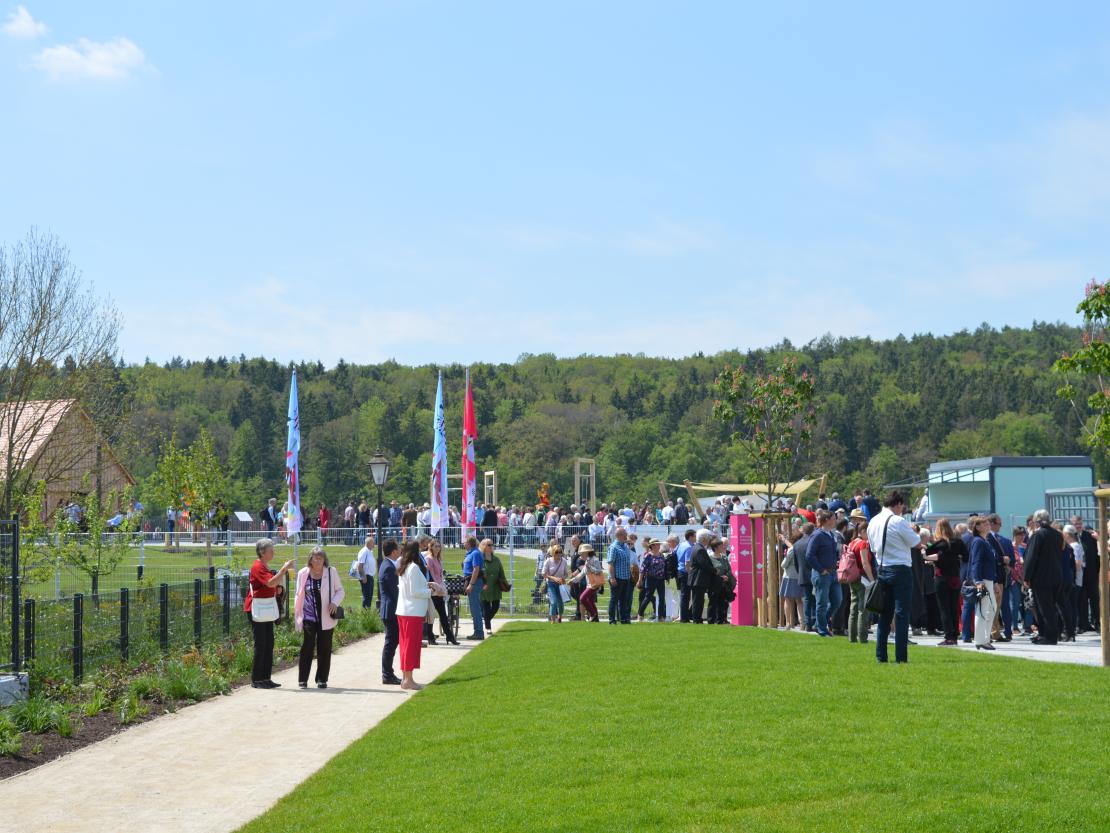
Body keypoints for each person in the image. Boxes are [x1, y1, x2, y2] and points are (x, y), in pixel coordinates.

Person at [866, 491, 920, 664]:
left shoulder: (873, 521)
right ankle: (901, 657)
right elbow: (915, 542)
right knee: (902, 614)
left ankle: (881, 656)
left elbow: (872, 548)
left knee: (885, 614)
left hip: (882, 568)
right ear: (898, 504)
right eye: (902, 506)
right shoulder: (898, 521)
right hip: (900, 569)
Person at [244, 538, 293, 689]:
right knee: (261, 644)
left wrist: (278, 589)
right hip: (257, 608)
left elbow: (271, 585)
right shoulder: (257, 566)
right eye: (271, 550)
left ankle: (265, 677)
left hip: (265, 608)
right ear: (262, 552)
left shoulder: (264, 566)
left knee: (269, 643)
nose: (273, 552)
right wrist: (283, 569)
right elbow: (271, 582)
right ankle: (256, 679)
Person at [294, 546, 344, 689]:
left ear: (324, 560)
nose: (317, 561)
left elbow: (340, 590)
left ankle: (322, 679)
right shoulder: (303, 573)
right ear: (310, 560)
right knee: (307, 645)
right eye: (315, 558)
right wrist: (297, 614)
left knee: (325, 647)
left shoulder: (331, 572)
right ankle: (302, 679)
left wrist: (335, 602)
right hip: (308, 616)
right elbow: (298, 594)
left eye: (320, 558)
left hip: (326, 616)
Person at [396, 541, 439, 691]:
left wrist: (427, 586)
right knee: (410, 646)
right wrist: (432, 592)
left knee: (405, 645)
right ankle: (408, 679)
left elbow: (410, 588)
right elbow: (414, 591)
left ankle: (405, 678)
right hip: (412, 612)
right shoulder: (413, 567)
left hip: (404, 611)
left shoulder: (404, 566)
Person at [1023, 510, 1064, 646]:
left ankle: (1050, 636)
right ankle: (1044, 634)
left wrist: (1026, 577)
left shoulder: (1038, 535)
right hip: (1056, 575)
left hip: (1041, 577)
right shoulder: (1057, 535)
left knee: (1044, 607)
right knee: (1050, 606)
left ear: (1037, 522)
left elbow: (1031, 557)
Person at [924, 518, 965, 646]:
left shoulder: (940, 544)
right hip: (955, 577)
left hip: (942, 577)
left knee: (944, 608)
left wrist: (930, 556)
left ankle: (949, 636)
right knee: (954, 607)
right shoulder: (958, 542)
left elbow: (928, 552)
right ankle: (955, 635)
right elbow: (966, 555)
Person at [805, 510, 842, 637]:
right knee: (822, 603)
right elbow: (809, 555)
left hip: (833, 573)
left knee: (837, 601)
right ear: (827, 520)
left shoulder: (831, 534)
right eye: (834, 518)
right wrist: (821, 569)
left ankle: (819, 623)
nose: (836, 521)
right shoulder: (817, 535)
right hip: (822, 574)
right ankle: (821, 629)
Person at [967, 516, 998, 650]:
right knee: (983, 610)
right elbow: (976, 562)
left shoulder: (985, 541)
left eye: (987, 523)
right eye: (984, 524)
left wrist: (994, 582)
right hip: (983, 580)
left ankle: (984, 639)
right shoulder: (978, 541)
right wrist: (978, 581)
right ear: (977, 527)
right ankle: (980, 640)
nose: (988, 525)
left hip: (988, 579)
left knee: (991, 609)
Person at [845, 510, 875, 643]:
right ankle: (862, 637)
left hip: (852, 577)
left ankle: (852, 637)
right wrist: (872, 580)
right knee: (863, 609)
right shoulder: (863, 543)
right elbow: (865, 563)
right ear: (863, 531)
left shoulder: (852, 543)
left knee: (853, 607)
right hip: (863, 578)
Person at [424, 539, 459, 645]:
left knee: (443, 614)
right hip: (433, 589)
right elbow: (429, 575)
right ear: (431, 547)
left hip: (439, 588)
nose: (437, 548)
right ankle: (430, 637)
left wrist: (442, 587)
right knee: (431, 615)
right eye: (435, 546)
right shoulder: (429, 559)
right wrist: (436, 587)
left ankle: (450, 636)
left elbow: (440, 575)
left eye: (439, 546)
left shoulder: (438, 559)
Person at [378, 539, 403, 685]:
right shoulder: (388, 567)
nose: (400, 551)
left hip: (390, 610)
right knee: (391, 643)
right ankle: (387, 674)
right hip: (390, 610)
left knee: (392, 642)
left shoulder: (388, 564)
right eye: (398, 549)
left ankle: (388, 673)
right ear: (393, 552)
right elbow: (395, 591)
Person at [1074, 515, 1100, 633]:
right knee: (1082, 600)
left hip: (1091, 572)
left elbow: (1097, 555)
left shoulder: (1089, 536)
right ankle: (1083, 625)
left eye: (1080, 523)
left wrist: (1097, 570)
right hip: (1080, 574)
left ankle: (1097, 623)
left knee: (1094, 599)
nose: (1078, 526)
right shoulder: (1071, 537)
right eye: (1076, 524)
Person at [567, 543, 603, 621]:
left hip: (594, 584)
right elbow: (582, 574)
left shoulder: (595, 560)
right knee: (591, 601)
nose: (580, 555)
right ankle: (596, 619)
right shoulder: (587, 561)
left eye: (582, 553)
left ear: (587, 552)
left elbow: (599, 571)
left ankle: (593, 614)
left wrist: (590, 567)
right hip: (590, 584)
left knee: (582, 598)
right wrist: (572, 580)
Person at [606, 527, 634, 624]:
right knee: (614, 599)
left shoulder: (625, 546)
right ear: (619, 535)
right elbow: (610, 563)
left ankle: (623, 619)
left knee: (623, 600)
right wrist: (612, 577)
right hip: (617, 577)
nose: (626, 536)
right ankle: (612, 619)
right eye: (625, 534)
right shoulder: (613, 547)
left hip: (626, 577)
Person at [686, 529, 715, 624]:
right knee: (698, 601)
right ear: (704, 539)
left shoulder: (697, 547)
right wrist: (715, 570)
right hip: (698, 579)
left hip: (697, 579)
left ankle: (695, 617)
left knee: (697, 600)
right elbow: (704, 564)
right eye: (708, 538)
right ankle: (696, 619)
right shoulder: (700, 549)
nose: (709, 540)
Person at [478, 538, 507, 632]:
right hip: (484, 587)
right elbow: (477, 572)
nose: (491, 546)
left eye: (492, 544)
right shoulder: (480, 559)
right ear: (483, 546)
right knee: (486, 608)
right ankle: (488, 627)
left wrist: (505, 583)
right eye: (489, 545)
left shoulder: (496, 559)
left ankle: (486, 620)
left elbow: (501, 572)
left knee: (495, 607)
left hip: (495, 587)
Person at [636, 538, 667, 622]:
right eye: (657, 544)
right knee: (648, 597)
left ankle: (661, 617)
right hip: (651, 579)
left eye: (659, 544)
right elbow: (642, 569)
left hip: (661, 579)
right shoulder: (648, 556)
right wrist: (640, 580)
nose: (659, 545)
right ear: (652, 546)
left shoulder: (661, 555)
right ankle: (640, 614)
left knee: (662, 598)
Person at [779, 530, 804, 629]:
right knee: (799, 600)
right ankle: (802, 623)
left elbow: (783, 564)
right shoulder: (802, 547)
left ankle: (788, 623)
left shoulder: (792, 549)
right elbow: (790, 545)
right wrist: (784, 539)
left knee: (787, 600)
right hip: (799, 576)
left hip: (789, 577)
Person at [462, 535, 486, 640]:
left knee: (475, 609)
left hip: (474, 583)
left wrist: (471, 584)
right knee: (474, 608)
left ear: (469, 543)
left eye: (465, 541)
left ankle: (479, 633)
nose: (463, 543)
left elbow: (476, 569)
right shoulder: (471, 553)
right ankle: (478, 632)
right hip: (472, 581)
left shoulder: (475, 553)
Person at [707, 536, 735, 624]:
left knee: (722, 603)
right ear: (715, 548)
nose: (723, 547)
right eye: (720, 546)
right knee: (713, 602)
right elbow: (710, 571)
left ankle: (721, 620)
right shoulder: (709, 558)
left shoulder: (724, 557)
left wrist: (727, 576)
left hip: (724, 584)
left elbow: (729, 569)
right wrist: (720, 577)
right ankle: (711, 620)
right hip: (714, 584)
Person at [542, 543, 568, 623]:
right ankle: (553, 620)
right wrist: (553, 578)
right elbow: (543, 573)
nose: (559, 554)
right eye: (557, 552)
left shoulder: (564, 561)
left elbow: (566, 574)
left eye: (560, 552)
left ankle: (560, 617)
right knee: (553, 602)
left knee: (561, 603)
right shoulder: (548, 561)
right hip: (551, 584)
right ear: (553, 552)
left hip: (560, 585)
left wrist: (562, 578)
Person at [675, 529, 696, 622]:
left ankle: (684, 617)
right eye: (695, 536)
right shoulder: (689, 547)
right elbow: (687, 563)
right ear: (690, 537)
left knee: (684, 595)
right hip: (686, 573)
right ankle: (684, 618)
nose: (696, 538)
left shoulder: (681, 544)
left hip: (680, 571)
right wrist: (691, 574)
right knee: (686, 597)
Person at [355, 534, 376, 609]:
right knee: (366, 597)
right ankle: (365, 613)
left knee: (369, 597)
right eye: (373, 543)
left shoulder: (370, 551)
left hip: (370, 576)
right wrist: (364, 577)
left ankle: (367, 612)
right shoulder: (364, 551)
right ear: (369, 543)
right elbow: (360, 566)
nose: (374, 544)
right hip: (366, 576)